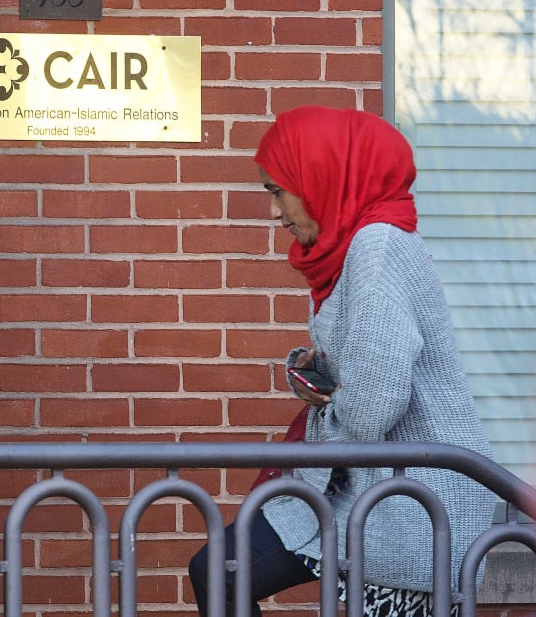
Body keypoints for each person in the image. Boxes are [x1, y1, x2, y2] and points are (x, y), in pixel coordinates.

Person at [188, 106, 494, 616]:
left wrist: (334, 395)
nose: (273, 211)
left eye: (277, 190)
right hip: (357, 490)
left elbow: (374, 408)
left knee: (221, 569)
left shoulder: (378, 246)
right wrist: (321, 378)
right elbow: (364, 374)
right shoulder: (349, 248)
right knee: (219, 569)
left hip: (408, 505)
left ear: (321, 175)